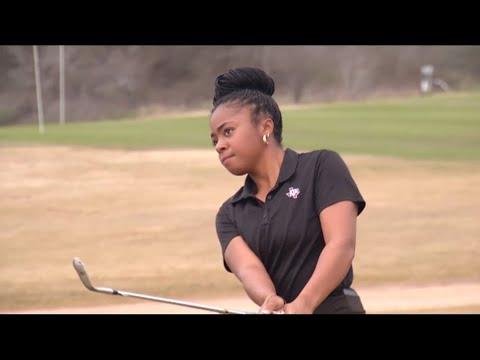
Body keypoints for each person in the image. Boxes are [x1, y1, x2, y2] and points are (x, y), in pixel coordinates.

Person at [209, 67, 366, 314]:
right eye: (214, 139)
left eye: (228, 132)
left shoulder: (321, 167)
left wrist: (305, 303)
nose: (219, 146)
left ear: (265, 127)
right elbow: (249, 270)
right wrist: (270, 299)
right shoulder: (229, 214)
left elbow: (341, 245)